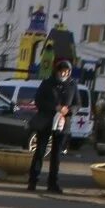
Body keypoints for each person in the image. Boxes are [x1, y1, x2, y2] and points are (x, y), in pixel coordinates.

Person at [27, 58, 80, 194]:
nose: (64, 74)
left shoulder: (72, 85)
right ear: (57, 71)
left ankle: (53, 183)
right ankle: (33, 180)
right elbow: (38, 100)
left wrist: (69, 110)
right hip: (46, 121)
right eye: (62, 71)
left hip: (63, 124)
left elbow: (77, 103)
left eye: (67, 72)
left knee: (56, 155)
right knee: (40, 151)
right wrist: (55, 107)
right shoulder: (47, 83)